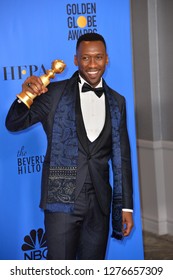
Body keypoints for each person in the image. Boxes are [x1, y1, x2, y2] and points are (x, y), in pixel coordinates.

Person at [5, 33, 133, 260]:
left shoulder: (117, 101)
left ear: (107, 59)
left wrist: (126, 208)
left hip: (100, 203)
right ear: (76, 60)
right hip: (61, 201)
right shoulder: (54, 94)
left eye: (98, 57)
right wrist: (26, 94)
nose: (92, 64)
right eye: (85, 58)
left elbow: (121, 157)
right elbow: (13, 123)